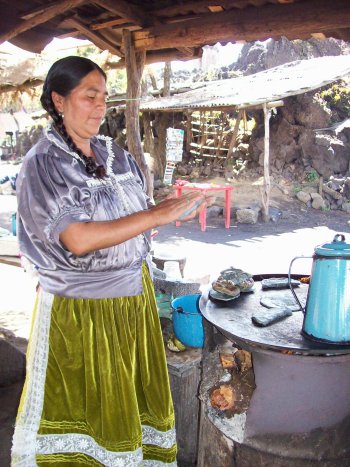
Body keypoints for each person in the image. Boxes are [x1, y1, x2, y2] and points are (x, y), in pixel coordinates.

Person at [11, 56, 207, 466]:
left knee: (127, 414)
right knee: (89, 420)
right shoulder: (45, 164)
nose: (101, 106)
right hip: (83, 314)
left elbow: (131, 218)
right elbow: (78, 239)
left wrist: (164, 207)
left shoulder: (112, 153)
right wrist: (157, 215)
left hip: (131, 304)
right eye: (89, 96)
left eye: (104, 96)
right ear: (59, 101)